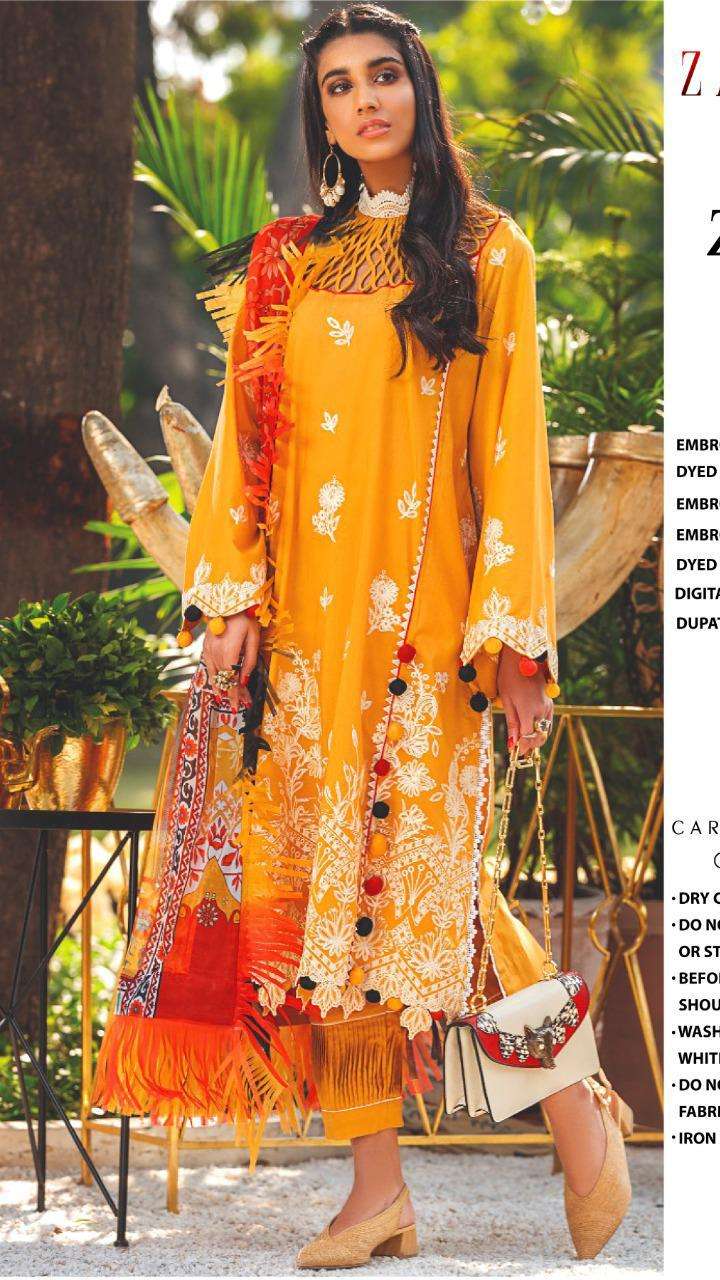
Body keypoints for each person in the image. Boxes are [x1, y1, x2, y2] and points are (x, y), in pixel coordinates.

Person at [91, 3, 632, 1266]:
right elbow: (243, 446)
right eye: (338, 87)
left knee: (424, 900)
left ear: (418, 91)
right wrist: (228, 600)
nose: (365, 101)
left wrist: (516, 646)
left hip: (423, 641)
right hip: (300, 645)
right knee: (325, 921)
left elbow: (508, 450)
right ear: (321, 117)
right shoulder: (286, 263)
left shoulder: (488, 253)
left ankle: (574, 1108)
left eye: (384, 76)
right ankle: (381, 1188)